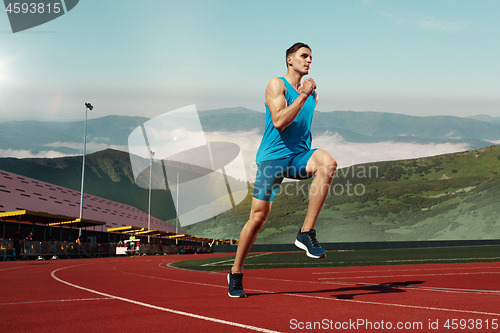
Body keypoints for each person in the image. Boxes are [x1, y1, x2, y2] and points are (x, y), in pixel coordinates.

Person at [228, 43, 337, 298]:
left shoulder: (313, 94)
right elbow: (278, 121)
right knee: (257, 219)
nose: (309, 60)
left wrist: (308, 95)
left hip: (298, 157)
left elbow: (301, 127)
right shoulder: (276, 84)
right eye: (303, 56)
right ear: (290, 60)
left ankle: (306, 232)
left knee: (328, 163)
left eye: (311, 57)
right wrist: (303, 94)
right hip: (271, 160)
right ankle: (236, 272)